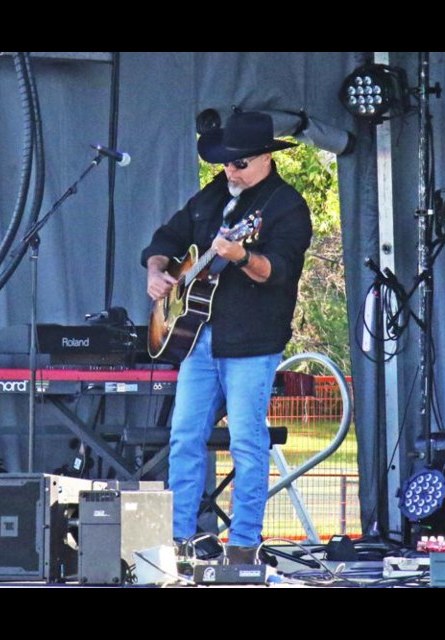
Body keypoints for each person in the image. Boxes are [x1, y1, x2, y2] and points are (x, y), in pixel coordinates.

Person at [141, 111, 312, 562]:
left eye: (240, 164)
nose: (230, 171)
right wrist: (158, 273)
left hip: (252, 341)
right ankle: (180, 541)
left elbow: (278, 271)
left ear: (266, 159)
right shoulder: (215, 193)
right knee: (184, 436)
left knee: (246, 443)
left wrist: (240, 255)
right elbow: (166, 236)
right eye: (226, 163)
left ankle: (242, 544)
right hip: (196, 337)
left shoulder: (286, 206)